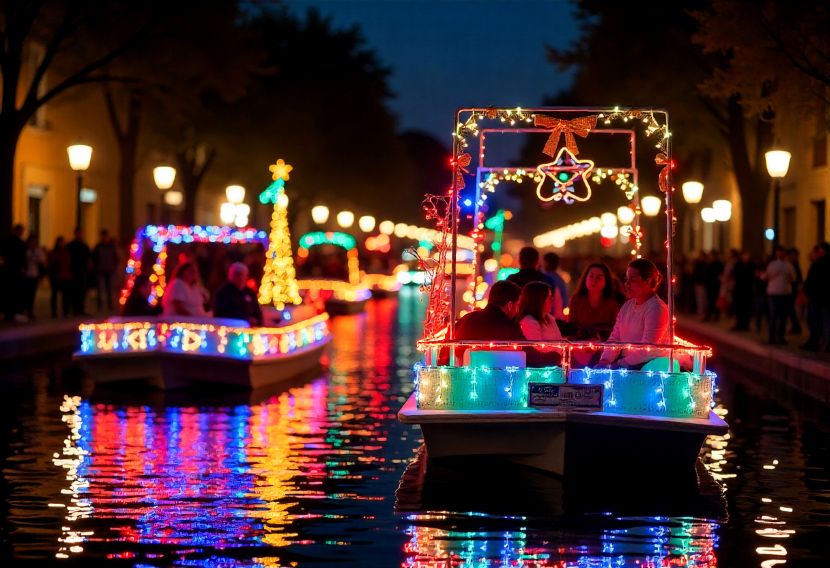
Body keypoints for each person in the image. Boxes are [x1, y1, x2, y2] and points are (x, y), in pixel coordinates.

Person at [597, 258, 670, 369]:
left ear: (648, 282)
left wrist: (618, 365)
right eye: (626, 279)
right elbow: (615, 338)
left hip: (649, 366)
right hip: (626, 364)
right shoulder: (627, 306)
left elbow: (647, 348)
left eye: (633, 280)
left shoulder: (657, 309)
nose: (626, 284)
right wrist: (605, 360)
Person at [440, 280, 524, 365]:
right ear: (510, 305)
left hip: (458, 375)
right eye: (517, 305)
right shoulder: (510, 328)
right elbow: (530, 356)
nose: (518, 310)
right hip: (498, 377)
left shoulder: (466, 319)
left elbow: (445, 354)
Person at [567, 262, 621, 340]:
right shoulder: (576, 300)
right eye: (591, 276)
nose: (594, 280)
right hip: (580, 347)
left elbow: (616, 330)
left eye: (599, 278)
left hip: (605, 347)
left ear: (606, 281)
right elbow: (570, 329)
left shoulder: (612, 303)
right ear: (585, 278)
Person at [507, 247, 563, 316]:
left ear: (519, 260)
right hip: (542, 322)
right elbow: (556, 309)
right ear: (537, 261)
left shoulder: (510, 280)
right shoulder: (548, 281)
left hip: (515, 322)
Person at [762, 246, 796, 345]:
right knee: (776, 315)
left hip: (782, 293)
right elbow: (766, 276)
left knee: (780, 316)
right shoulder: (776, 265)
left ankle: (778, 336)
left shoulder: (787, 265)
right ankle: (774, 336)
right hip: (776, 293)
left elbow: (793, 278)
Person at [800, 242, 830, 351]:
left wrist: (807, 292)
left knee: (816, 321)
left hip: (817, 297)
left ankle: (817, 342)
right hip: (822, 297)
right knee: (824, 320)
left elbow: (812, 281)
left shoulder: (819, 264)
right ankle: (822, 342)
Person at [1, 224, 27, 321]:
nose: (21, 233)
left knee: (13, 293)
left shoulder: (20, 243)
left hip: (13, 271)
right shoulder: (12, 243)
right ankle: (11, 313)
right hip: (12, 271)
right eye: (20, 231)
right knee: (11, 293)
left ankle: (11, 313)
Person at [92, 229, 119, 312]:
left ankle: (110, 305)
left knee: (109, 289)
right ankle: (100, 306)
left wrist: (114, 267)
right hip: (101, 270)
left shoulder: (111, 247)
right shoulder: (98, 247)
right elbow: (94, 258)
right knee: (100, 289)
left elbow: (115, 258)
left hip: (110, 270)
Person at [66, 228, 91, 316]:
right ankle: (73, 310)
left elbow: (88, 258)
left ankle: (80, 309)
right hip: (73, 270)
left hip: (82, 271)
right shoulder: (70, 246)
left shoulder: (84, 246)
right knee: (73, 291)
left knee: (81, 291)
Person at [22, 234, 46, 320]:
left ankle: (30, 311)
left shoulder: (38, 251)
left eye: (34, 241)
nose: (33, 243)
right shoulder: (25, 250)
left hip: (34, 274)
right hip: (26, 274)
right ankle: (24, 310)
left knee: (32, 294)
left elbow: (42, 260)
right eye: (31, 241)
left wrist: (38, 260)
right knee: (25, 294)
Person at [48, 237, 72, 318]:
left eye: (63, 242)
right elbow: (51, 264)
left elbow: (68, 264)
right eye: (61, 242)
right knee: (54, 295)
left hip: (65, 277)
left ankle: (66, 311)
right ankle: (54, 312)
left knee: (66, 296)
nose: (62, 244)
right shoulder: (54, 253)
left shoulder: (66, 252)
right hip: (56, 277)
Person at [731, 251, 755, 331]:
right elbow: (734, 275)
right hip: (739, 290)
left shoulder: (751, 265)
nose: (746, 257)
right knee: (738, 308)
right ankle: (739, 324)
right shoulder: (738, 265)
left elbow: (753, 276)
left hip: (748, 290)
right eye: (744, 256)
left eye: (747, 256)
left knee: (747, 308)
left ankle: (745, 325)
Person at [542, 252, 569, 317]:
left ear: (546, 263)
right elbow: (565, 302)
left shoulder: (544, 278)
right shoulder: (560, 280)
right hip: (558, 316)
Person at [787, 248, 803, 335]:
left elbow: (798, 279)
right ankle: (795, 327)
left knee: (792, 310)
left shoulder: (795, 266)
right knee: (791, 310)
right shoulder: (792, 265)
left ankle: (796, 327)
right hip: (790, 290)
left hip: (792, 291)